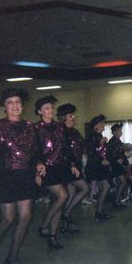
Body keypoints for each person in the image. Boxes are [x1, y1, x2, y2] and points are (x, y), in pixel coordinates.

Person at [0, 88, 46, 264]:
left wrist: (39, 164)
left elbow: (36, 152)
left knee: (25, 217)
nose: (15, 106)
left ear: (22, 106)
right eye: (10, 102)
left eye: (17, 102)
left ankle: (13, 257)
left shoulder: (31, 127)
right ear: (4, 107)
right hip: (4, 177)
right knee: (7, 218)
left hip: (25, 176)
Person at [34, 96, 80, 249]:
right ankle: (44, 226)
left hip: (61, 168)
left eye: (51, 107)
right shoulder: (35, 128)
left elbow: (67, 148)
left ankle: (52, 236)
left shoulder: (60, 127)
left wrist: (73, 164)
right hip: (46, 169)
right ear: (40, 111)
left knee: (58, 202)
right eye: (46, 108)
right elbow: (34, 151)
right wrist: (37, 168)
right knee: (63, 196)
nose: (50, 110)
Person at [56, 103, 90, 233]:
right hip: (67, 167)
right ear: (63, 117)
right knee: (85, 188)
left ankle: (65, 225)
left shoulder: (74, 131)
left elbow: (82, 146)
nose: (73, 118)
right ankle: (66, 214)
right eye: (71, 115)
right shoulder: (60, 131)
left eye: (73, 115)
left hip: (76, 165)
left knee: (70, 195)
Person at [85, 114, 112, 221]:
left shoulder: (98, 136)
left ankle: (99, 212)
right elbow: (91, 152)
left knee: (105, 186)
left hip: (99, 166)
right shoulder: (93, 136)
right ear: (95, 126)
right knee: (105, 186)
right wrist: (100, 145)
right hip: (95, 166)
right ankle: (98, 212)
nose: (103, 125)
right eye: (101, 123)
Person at [107, 123, 129, 209]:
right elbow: (109, 155)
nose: (121, 132)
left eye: (120, 130)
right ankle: (116, 202)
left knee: (120, 183)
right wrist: (116, 160)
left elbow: (121, 154)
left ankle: (117, 201)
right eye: (119, 130)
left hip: (117, 165)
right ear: (114, 132)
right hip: (115, 165)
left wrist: (125, 163)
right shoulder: (113, 141)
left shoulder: (117, 141)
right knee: (122, 182)